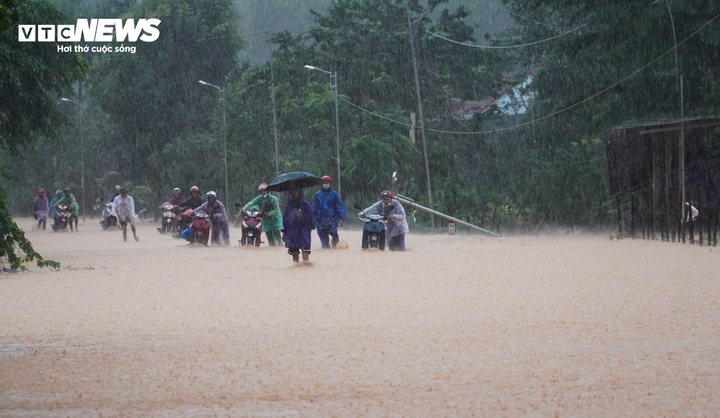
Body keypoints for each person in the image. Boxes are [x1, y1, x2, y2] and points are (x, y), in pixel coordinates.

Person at [312, 175, 345, 249]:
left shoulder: (334, 194)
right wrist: (312, 219)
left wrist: (341, 218)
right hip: (320, 221)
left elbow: (339, 207)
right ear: (321, 183)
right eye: (324, 182)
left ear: (330, 183)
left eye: (327, 182)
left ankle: (335, 249)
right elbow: (314, 208)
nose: (326, 184)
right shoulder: (317, 195)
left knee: (335, 238)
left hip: (332, 220)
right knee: (325, 243)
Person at [282, 188, 315, 263]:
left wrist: (302, 216)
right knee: (294, 253)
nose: (294, 193)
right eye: (292, 191)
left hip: (304, 232)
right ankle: (295, 270)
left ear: (300, 192)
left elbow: (311, 219)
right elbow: (285, 220)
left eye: (296, 190)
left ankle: (306, 270)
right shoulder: (289, 206)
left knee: (305, 252)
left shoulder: (306, 205)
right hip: (292, 232)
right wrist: (284, 231)